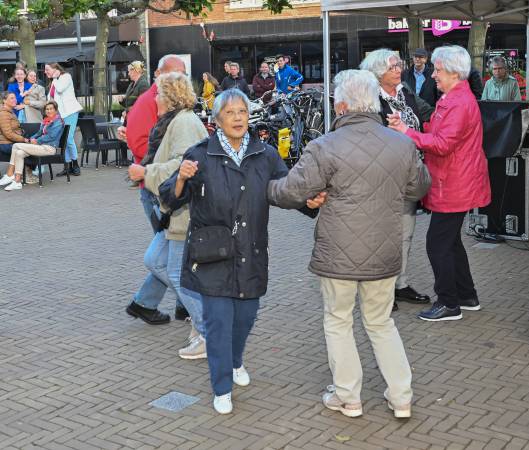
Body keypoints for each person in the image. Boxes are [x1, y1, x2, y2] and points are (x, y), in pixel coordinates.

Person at [268, 69, 430, 419]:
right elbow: (419, 188)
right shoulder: (402, 144)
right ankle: (401, 396)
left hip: (338, 252)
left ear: (340, 105)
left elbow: (290, 191)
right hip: (384, 249)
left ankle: (348, 396)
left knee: (338, 320)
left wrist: (266, 186)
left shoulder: (324, 147)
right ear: (373, 103)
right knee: (381, 321)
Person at [159, 89, 323, 415]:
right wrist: (181, 178)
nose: (237, 118)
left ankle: (235, 361)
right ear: (217, 119)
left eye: (242, 112)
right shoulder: (201, 154)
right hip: (211, 254)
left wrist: (308, 201)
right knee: (219, 322)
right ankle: (222, 386)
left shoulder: (264, 153)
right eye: (230, 113)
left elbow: (284, 187)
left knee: (245, 317)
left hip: (251, 249)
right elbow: (169, 198)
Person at [388, 45, 491, 322]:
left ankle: (449, 303)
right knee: (451, 242)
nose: (434, 75)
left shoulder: (458, 102)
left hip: (454, 183)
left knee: (437, 244)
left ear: (455, 73)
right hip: (454, 180)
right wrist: (412, 128)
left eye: (438, 70)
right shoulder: (454, 98)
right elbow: (438, 131)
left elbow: (443, 144)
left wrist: (405, 132)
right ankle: (466, 296)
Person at [126, 73, 208, 357]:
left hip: (183, 211)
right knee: (154, 261)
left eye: (159, 94)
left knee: (175, 271)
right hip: (173, 213)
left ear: (170, 97)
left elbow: (183, 165)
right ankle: (204, 323)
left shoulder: (184, 122)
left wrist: (145, 172)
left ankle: (209, 329)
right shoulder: (175, 121)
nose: (156, 99)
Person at [360, 48, 433, 309]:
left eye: (398, 65)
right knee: (381, 235)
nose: (398, 69)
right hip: (382, 177)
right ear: (378, 72)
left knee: (406, 232)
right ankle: (381, 290)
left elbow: (429, 114)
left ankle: (400, 284)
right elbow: (364, 136)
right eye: (392, 67)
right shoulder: (369, 99)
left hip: (408, 173)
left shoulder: (406, 92)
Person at [122, 54, 190, 323]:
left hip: (165, 186)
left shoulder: (173, 105)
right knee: (169, 255)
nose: (181, 79)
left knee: (165, 254)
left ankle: (145, 303)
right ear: (159, 75)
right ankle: (190, 304)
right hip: (158, 191)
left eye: (183, 74)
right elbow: (140, 145)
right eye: (176, 74)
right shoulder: (150, 101)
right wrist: (151, 171)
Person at [0, 101, 64, 191]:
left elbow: (51, 136)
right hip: (40, 147)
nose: (49, 111)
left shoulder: (58, 122)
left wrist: (36, 141)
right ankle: (17, 182)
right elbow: (38, 133)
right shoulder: (46, 120)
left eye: (51, 109)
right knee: (19, 152)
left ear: (56, 110)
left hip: (49, 148)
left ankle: (10, 174)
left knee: (15, 146)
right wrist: (31, 139)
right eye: (47, 109)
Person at [47, 63, 83, 177]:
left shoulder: (66, 76)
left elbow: (61, 89)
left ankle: (76, 165)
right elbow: (50, 98)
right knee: (64, 140)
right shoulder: (54, 81)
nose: (45, 72)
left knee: (68, 139)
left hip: (70, 112)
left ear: (55, 69)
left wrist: (55, 78)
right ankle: (67, 167)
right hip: (61, 115)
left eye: (47, 69)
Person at [0, 92, 28, 157]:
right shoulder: (3, 114)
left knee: (33, 147)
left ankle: (23, 167)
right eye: (12, 98)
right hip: (6, 144)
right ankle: (24, 167)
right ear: (4, 101)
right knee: (29, 150)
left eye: (15, 98)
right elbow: (8, 134)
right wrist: (23, 139)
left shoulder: (10, 112)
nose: (15, 100)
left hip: (12, 142)